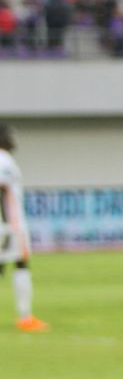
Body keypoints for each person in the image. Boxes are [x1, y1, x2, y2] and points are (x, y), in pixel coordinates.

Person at [0, 124, 47, 333]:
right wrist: (7, 226)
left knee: (14, 265)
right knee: (21, 264)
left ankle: (26, 316)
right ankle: (25, 317)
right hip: (10, 225)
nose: (13, 139)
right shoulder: (3, 160)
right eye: (9, 135)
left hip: (8, 225)